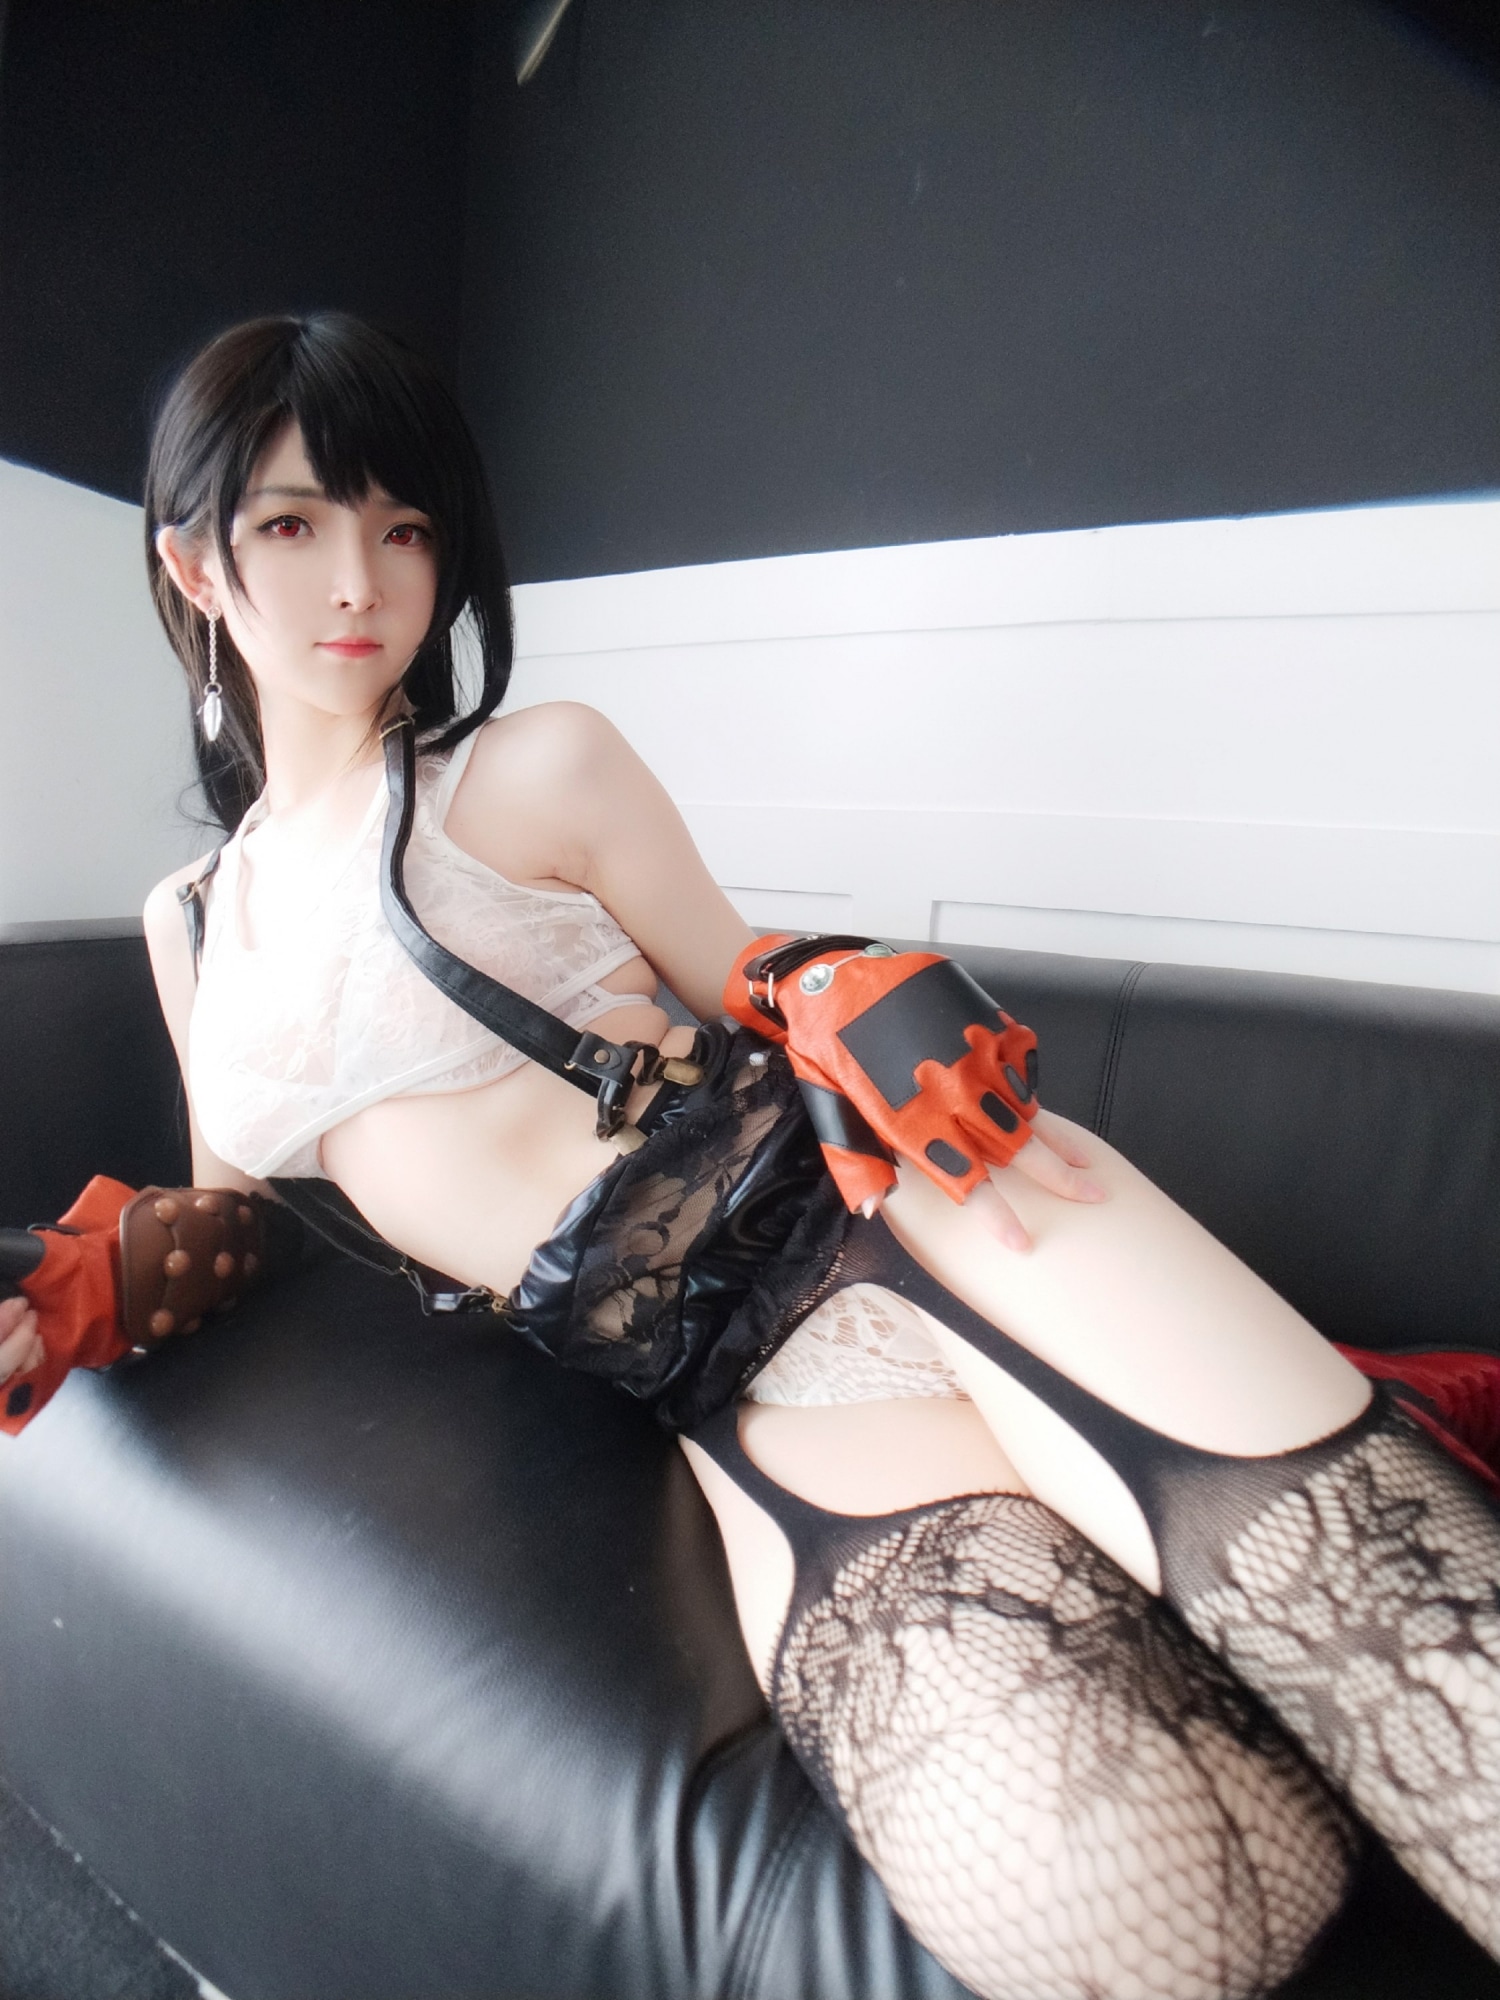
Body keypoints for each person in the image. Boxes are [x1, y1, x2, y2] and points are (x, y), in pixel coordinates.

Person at [2, 313, 1498, 2000]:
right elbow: (238, 1213)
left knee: (1404, 1632)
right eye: (293, 524)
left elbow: (745, 974)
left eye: (404, 527)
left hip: (915, 1217)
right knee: (1137, 1905)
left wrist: (856, 994)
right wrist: (80, 1291)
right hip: (723, 1379)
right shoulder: (193, 924)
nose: (361, 579)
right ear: (195, 565)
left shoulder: (532, 767)